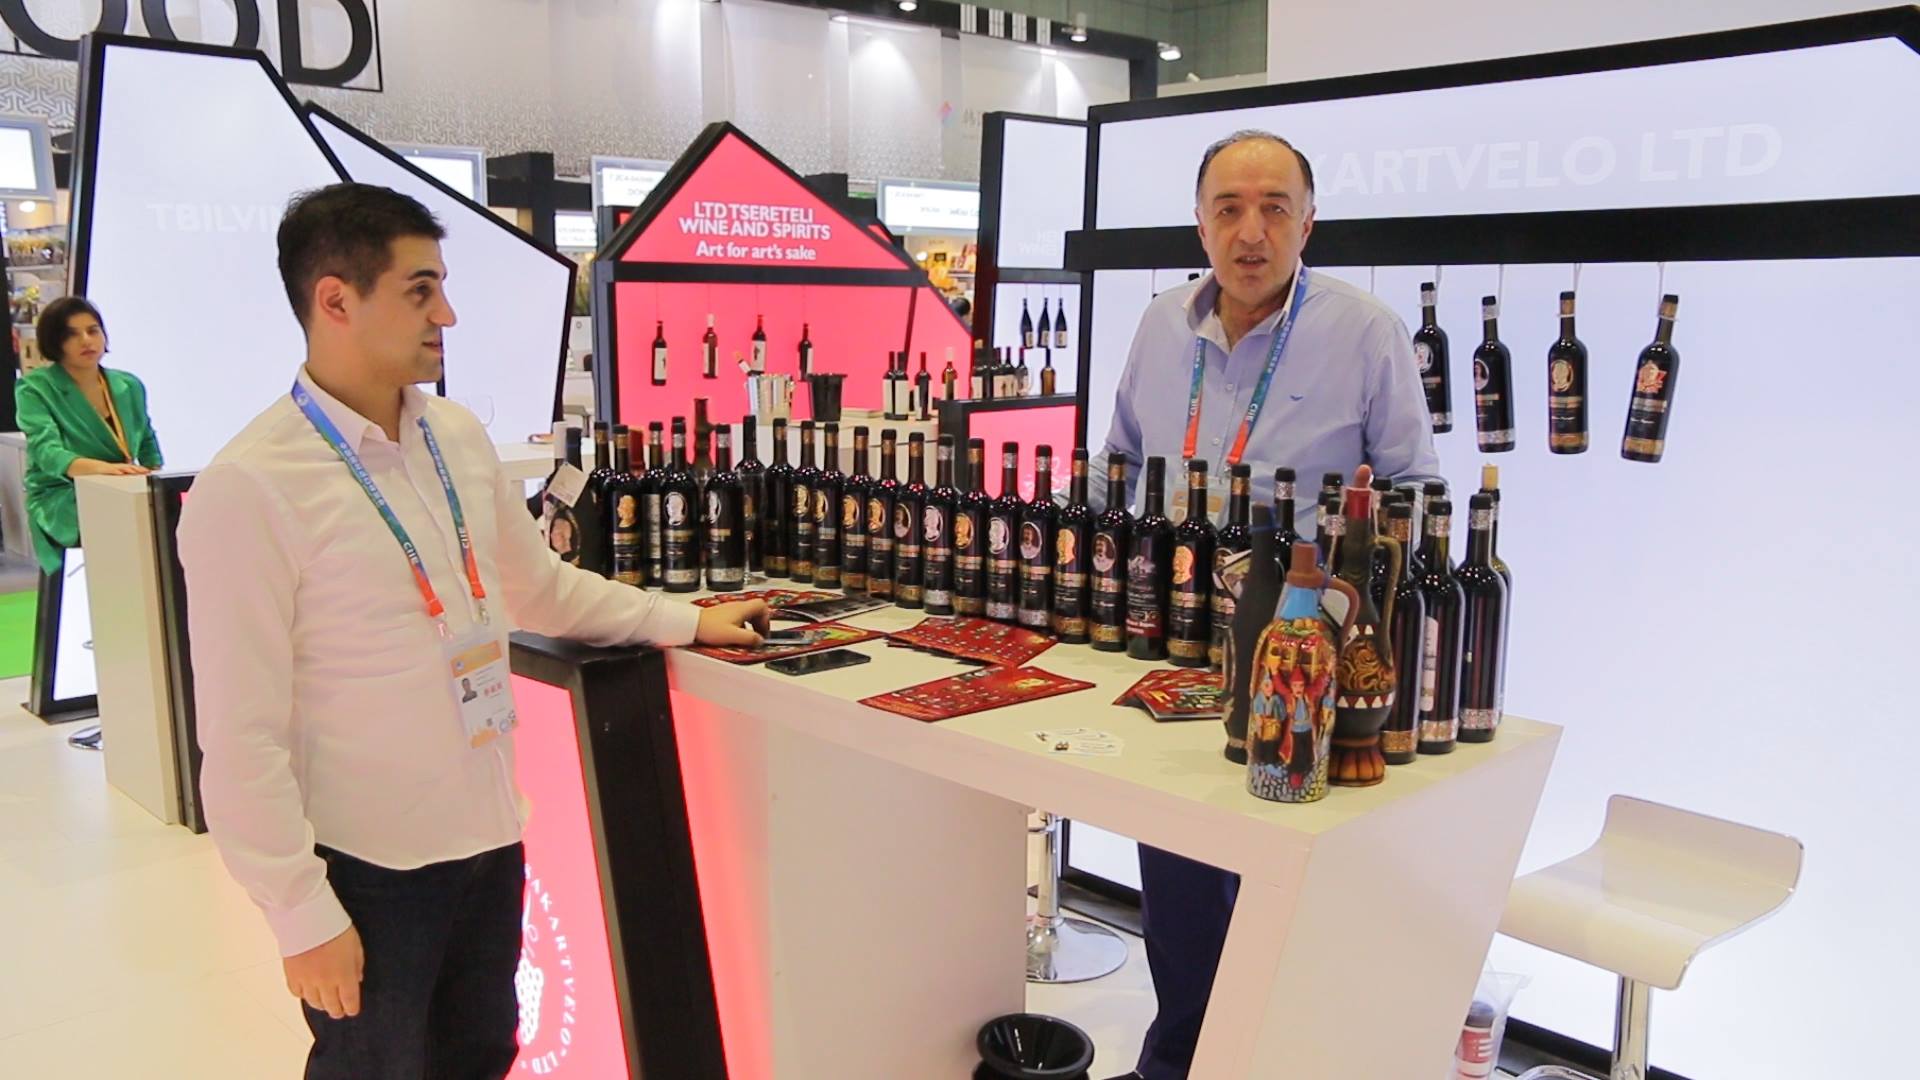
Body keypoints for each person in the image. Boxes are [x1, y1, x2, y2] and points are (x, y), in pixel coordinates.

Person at [177, 183, 766, 1080]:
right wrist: (300, 914)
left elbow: (542, 589)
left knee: (482, 1056)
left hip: (489, 837)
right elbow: (237, 736)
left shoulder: (453, 435)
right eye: (420, 290)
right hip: (369, 868)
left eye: (442, 287)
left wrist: (685, 620)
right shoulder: (251, 486)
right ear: (335, 300)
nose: (446, 314)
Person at [1093, 131, 1439, 1080]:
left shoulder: (1366, 333)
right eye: (1230, 209)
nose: (1252, 232)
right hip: (1173, 646)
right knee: (1176, 869)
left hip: (1298, 659)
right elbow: (1118, 463)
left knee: (1280, 883)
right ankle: (1180, 1054)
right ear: (1199, 224)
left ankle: (1254, 1058)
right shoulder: (1159, 325)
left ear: (1308, 222)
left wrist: (1348, 570)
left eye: (1275, 208)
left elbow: (1416, 490)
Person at [14, 296, 163, 575]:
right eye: (72, 334)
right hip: (62, 494)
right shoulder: (34, 389)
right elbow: (48, 453)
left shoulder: (128, 384)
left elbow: (146, 440)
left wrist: (156, 484)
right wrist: (104, 470)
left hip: (121, 489)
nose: (86, 341)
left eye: (93, 330)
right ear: (55, 342)